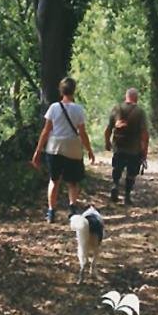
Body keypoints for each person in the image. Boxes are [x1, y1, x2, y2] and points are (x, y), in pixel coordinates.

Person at [31, 77, 95, 223]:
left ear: (61, 91)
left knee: (54, 180)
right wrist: (89, 149)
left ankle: (51, 212)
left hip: (55, 147)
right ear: (74, 91)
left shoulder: (53, 107)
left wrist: (38, 150)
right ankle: (72, 210)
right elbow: (82, 133)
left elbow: (46, 131)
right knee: (73, 181)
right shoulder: (78, 109)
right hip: (73, 147)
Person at [104, 88, 149, 205]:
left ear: (126, 97)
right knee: (131, 173)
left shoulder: (117, 108)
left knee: (117, 168)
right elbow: (144, 133)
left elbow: (108, 129)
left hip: (118, 146)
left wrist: (107, 142)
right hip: (134, 149)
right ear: (136, 98)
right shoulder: (140, 112)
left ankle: (115, 185)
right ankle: (127, 196)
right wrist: (144, 150)